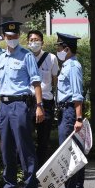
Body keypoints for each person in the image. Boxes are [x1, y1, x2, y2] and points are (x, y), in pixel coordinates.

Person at [0, 21, 44, 188]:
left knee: (24, 147)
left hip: (20, 104)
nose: (11, 39)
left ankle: (31, 187)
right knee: (6, 147)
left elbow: (36, 82)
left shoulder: (26, 55)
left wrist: (39, 106)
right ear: (4, 37)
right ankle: (10, 185)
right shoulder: (2, 57)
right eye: (8, 37)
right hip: (4, 106)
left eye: (14, 36)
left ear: (18, 36)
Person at [50, 33, 85, 188]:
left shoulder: (73, 67)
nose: (57, 51)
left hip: (70, 111)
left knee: (68, 151)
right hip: (66, 111)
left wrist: (78, 118)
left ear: (67, 49)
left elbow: (77, 94)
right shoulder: (67, 65)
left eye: (59, 48)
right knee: (74, 150)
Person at [27, 30, 59, 169]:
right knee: (26, 137)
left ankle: (40, 170)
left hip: (46, 102)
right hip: (28, 101)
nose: (34, 42)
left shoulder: (51, 58)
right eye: (31, 40)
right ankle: (29, 170)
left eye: (37, 40)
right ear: (28, 42)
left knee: (43, 139)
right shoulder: (24, 57)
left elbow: (54, 79)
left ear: (42, 42)